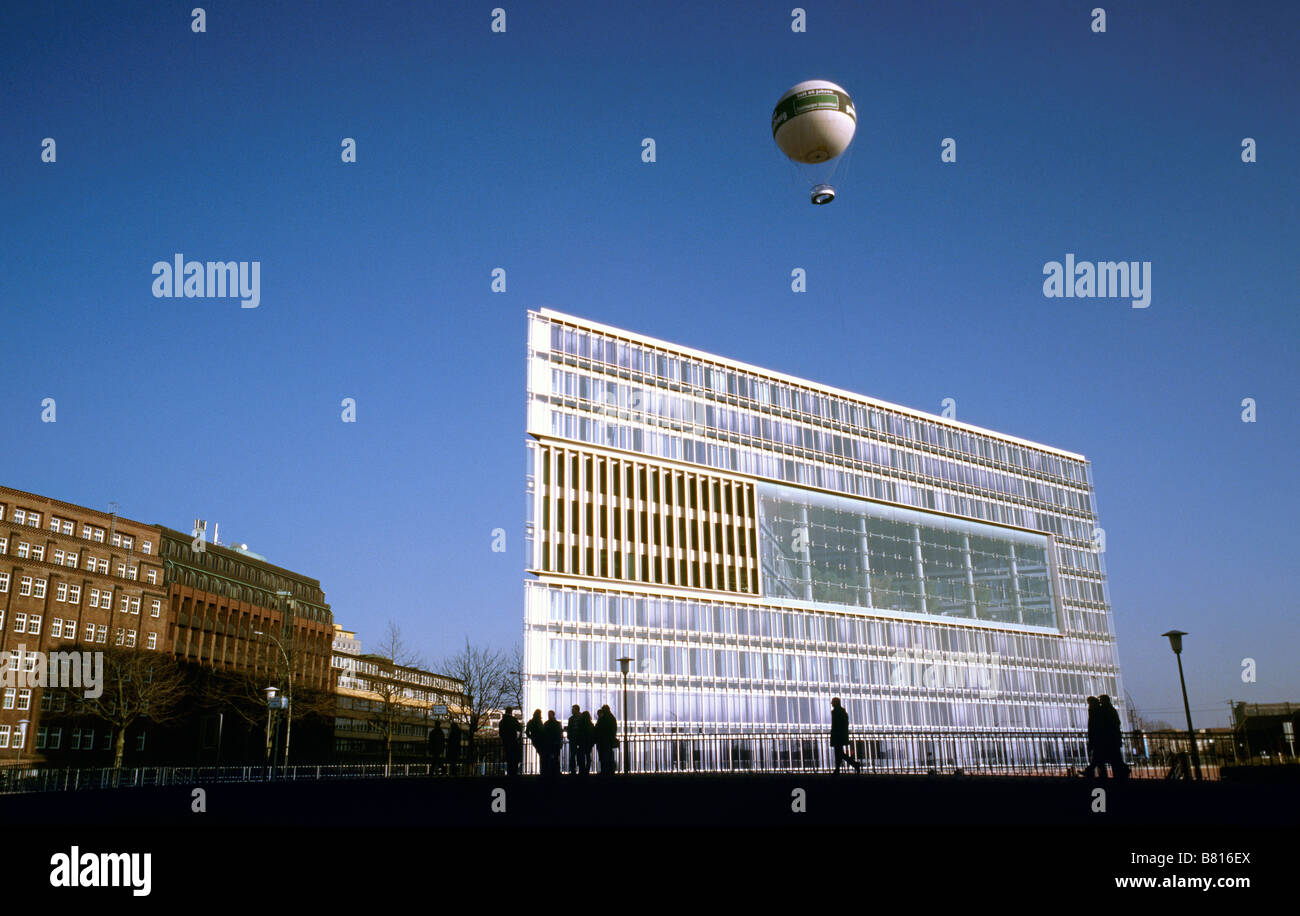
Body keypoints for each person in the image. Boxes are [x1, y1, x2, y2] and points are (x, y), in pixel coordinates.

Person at [1098, 695, 1128, 779]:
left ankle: (1117, 775)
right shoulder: (1112, 710)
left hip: (1108, 739)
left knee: (1111, 759)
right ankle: (1120, 775)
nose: (1100, 702)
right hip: (1114, 739)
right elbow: (1117, 723)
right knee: (1115, 759)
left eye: (1101, 700)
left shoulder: (1104, 710)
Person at [830, 697, 861, 774]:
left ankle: (853, 765)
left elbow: (836, 725)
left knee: (839, 753)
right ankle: (839, 769)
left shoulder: (837, 712)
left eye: (833, 703)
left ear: (835, 703)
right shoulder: (842, 712)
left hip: (837, 735)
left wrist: (835, 733)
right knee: (839, 753)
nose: (832, 704)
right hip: (840, 735)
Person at [595, 704, 618, 775]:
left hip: (602, 741)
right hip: (609, 741)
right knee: (609, 756)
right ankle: (610, 770)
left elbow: (598, 729)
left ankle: (604, 770)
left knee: (603, 757)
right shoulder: (612, 718)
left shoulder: (602, 719)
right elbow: (614, 729)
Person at [499, 707, 523, 776]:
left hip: (506, 742)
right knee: (514, 757)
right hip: (513, 741)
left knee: (508, 757)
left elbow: (500, 733)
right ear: (511, 712)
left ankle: (509, 773)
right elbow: (519, 728)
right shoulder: (513, 720)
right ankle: (514, 772)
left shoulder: (502, 721)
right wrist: (518, 738)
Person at [1085, 696, 1104, 778]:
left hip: (1098, 738)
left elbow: (1093, 726)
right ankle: (1092, 772)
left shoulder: (1094, 711)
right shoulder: (1098, 710)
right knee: (1098, 758)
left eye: (1089, 703)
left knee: (1097, 758)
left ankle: (1090, 771)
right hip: (1099, 738)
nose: (1088, 705)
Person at [542, 710, 564, 777]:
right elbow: (560, 734)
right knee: (556, 758)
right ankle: (556, 771)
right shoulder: (557, 723)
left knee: (550, 758)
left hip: (549, 743)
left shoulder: (546, 724)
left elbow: (544, 733)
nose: (549, 716)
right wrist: (560, 742)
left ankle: (550, 771)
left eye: (549, 714)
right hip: (555, 743)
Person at [567, 705, 585, 775]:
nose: (572, 710)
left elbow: (569, 728)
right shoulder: (582, 718)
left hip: (574, 739)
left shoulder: (571, 719)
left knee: (573, 754)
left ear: (576, 710)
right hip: (578, 739)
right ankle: (581, 769)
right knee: (580, 754)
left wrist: (570, 736)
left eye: (573, 709)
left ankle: (573, 770)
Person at [526, 709, 545, 773]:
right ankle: (543, 770)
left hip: (535, 740)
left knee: (541, 754)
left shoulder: (530, 722)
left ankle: (542, 770)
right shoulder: (539, 721)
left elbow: (527, 732)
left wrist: (531, 737)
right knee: (543, 755)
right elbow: (542, 730)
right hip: (541, 740)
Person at [578, 709, 595, 775]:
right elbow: (592, 735)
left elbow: (579, 734)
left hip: (582, 743)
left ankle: (582, 770)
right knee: (588, 757)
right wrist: (591, 743)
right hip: (588, 743)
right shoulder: (590, 725)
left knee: (581, 757)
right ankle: (587, 770)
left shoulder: (581, 725)